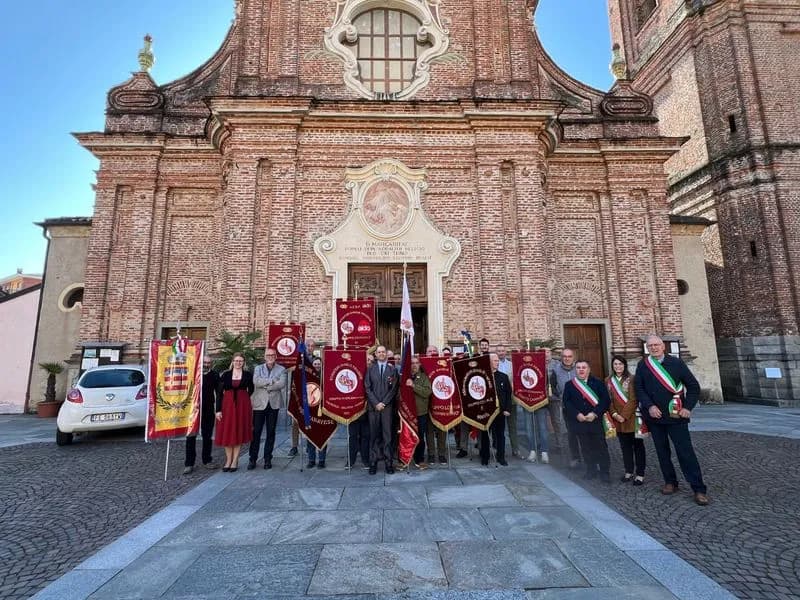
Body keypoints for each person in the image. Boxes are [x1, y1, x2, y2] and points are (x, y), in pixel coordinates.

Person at [635, 335, 708, 505]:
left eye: (657, 345)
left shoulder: (676, 363)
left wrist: (687, 407)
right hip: (656, 417)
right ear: (647, 348)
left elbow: (693, 386)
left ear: (663, 346)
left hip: (676, 417)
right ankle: (670, 482)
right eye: (650, 346)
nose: (654, 348)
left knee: (685, 453)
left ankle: (698, 488)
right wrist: (649, 406)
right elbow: (639, 388)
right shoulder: (643, 365)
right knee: (662, 452)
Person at [562, 360, 611, 482]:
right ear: (575, 370)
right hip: (580, 422)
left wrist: (595, 413)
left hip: (595, 421)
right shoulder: (570, 385)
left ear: (589, 369)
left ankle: (605, 472)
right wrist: (576, 414)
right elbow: (567, 403)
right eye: (578, 367)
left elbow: (605, 400)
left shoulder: (598, 383)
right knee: (585, 447)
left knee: (601, 446)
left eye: (584, 367)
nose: (581, 370)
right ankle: (591, 470)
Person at [606, 355, 645, 485]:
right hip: (617, 419)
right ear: (612, 366)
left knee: (638, 446)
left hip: (632, 418)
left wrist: (624, 415)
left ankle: (640, 473)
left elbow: (634, 399)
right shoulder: (608, 380)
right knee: (625, 447)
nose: (618, 366)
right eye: (615, 364)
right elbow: (608, 400)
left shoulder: (632, 379)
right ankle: (628, 471)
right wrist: (615, 414)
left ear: (625, 365)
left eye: (620, 364)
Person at [215, 353, 255, 472]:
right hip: (227, 406)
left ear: (244, 362)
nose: (238, 363)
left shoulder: (248, 375)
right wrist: (218, 410)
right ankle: (228, 460)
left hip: (242, 407)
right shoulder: (226, 375)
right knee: (227, 432)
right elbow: (219, 393)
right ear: (232, 361)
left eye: (240, 361)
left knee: (238, 431)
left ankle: (235, 461)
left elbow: (251, 389)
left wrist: (244, 399)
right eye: (236, 360)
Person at [248, 349, 287, 470]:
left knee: (271, 431)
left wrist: (266, 385)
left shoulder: (282, 369)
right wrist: (272, 381)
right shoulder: (258, 368)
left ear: (276, 356)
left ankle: (267, 459)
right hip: (260, 404)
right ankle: (252, 459)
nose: (270, 357)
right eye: (268, 355)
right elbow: (256, 381)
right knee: (256, 431)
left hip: (273, 404)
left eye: (272, 355)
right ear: (264, 357)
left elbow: (282, 384)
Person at [365, 345, 399, 474]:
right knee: (374, 436)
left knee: (387, 436)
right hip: (373, 408)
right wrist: (376, 403)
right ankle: (373, 463)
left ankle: (388, 463)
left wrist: (383, 403)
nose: (381, 354)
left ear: (386, 354)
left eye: (383, 352)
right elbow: (367, 388)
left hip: (387, 408)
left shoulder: (392, 370)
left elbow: (394, 389)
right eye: (379, 352)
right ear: (376, 354)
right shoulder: (370, 370)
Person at [183, 355, 220, 474]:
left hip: (208, 410)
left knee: (207, 436)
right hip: (193, 410)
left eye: (209, 363)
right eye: (204, 362)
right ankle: (189, 463)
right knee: (190, 436)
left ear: (211, 364)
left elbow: (219, 393)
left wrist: (218, 409)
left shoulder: (214, 375)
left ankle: (207, 460)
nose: (206, 364)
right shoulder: (193, 374)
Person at [550, 348, 581, 468]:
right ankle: (575, 457)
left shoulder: (579, 367)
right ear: (561, 358)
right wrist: (559, 395)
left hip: (581, 405)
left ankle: (589, 456)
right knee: (571, 433)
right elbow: (552, 386)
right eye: (564, 356)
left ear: (573, 357)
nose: (567, 359)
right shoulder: (556, 370)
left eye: (569, 356)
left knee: (585, 433)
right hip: (566, 406)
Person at [480, 353, 512, 466]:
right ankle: (485, 457)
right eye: (495, 361)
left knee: (500, 435)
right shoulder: (483, 377)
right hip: (487, 411)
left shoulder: (503, 376)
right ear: (489, 362)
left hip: (500, 411)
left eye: (498, 361)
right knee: (485, 435)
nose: (497, 362)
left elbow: (508, 394)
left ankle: (501, 457)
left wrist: (507, 409)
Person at [289, 340, 318, 458]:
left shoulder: (317, 361)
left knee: (311, 421)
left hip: (312, 395)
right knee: (295, 421)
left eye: (312, 346)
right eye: (308, 346)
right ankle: (294, 446)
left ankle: (309, 446)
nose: (310, 348)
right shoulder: (297, 360)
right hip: (298, 395)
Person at [525, 347, 550, 464]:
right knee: (529, 429)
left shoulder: (543, 369)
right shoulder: (523, 368)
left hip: (540, 402)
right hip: (526, 401)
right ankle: (532, 450)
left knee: (543, 428)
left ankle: (544, 451)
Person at [407, 355, 432, 470]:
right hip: (407, 413)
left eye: (416, 363)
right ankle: (405, 458)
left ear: (420, 364)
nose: (414, 365)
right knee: (406, 436)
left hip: (420, 412)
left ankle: (419, 459)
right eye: (412, 363)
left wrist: (413, 386)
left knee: (420, 437)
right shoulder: (405, 377)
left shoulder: (424, 377)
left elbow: (427, 392)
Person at [496, 345, 518, 457]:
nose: (501, 353)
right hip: (498, 401)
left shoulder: (512, 365)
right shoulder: (494, 364)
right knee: (498, 427)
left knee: (512, 425)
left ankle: (515, 449)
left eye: (502, 351)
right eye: (499, 351)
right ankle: (499, 449)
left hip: (510, 399)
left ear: (506, 352)